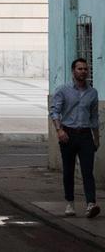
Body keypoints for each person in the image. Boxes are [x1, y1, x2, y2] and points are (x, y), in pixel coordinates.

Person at [50, 58, 100, 219]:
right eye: (80, 69)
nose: (83, 71)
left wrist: (96, 138)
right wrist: (59, 131)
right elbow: (55, 111)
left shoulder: (92, 93)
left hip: (85, 135)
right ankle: (70, 203)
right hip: (68, 135)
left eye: (85, 69)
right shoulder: (63, 90)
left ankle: (91, 204)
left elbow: (94, 117)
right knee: (68, 171)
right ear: (73, 72)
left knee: (87, 171)